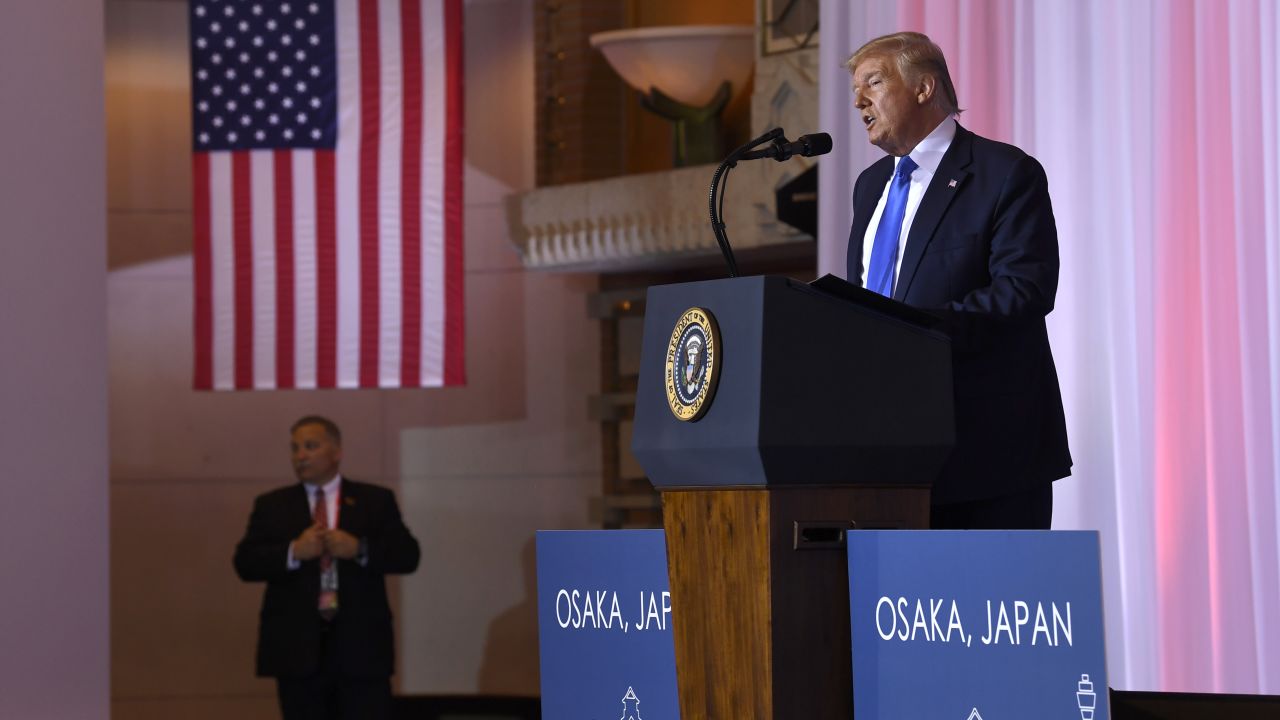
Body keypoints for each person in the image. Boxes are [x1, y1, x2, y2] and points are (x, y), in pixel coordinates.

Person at [844, 32, 1071, 529]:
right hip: (886, 453)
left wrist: (912, 330)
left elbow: (1025, 290)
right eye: (855, 90)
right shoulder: (869, 188)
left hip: (987, 453)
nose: (858, 100)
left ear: (924, 88)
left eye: (873, 83)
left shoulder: (1004, 172)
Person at [234, 415, 420, 720]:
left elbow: (408, 556)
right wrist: (294, 551)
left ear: (336, 452)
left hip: (361, 651)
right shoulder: (273, 505)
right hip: (298, 653)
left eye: (310, 446)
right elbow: (245, 563)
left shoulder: (374, 500)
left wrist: (359, 549)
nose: (300, 456)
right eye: (294, 448)